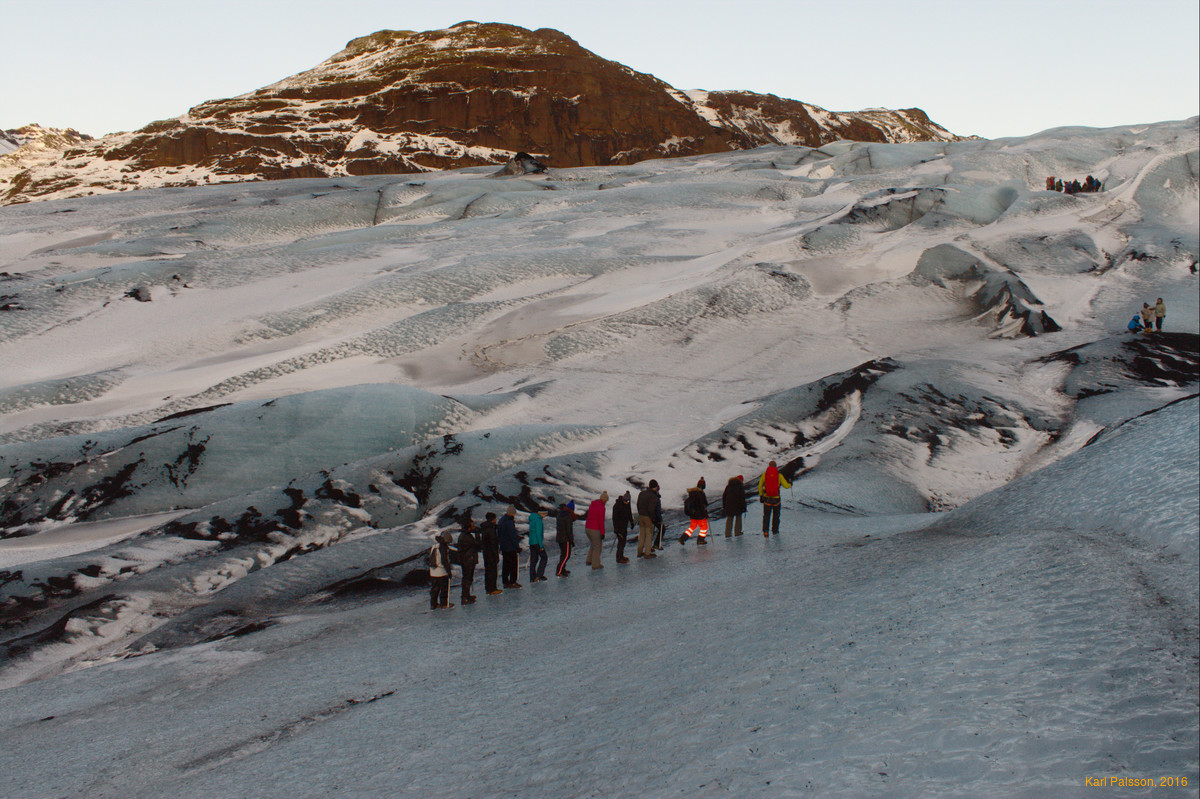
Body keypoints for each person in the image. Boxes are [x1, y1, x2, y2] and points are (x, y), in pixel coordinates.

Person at [758, 460, 791, 537]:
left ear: (768, 466)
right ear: (776, 466)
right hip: (776, 499)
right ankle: (775, 531)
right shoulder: (779, 475)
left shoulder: (764, 475)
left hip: (767, 498)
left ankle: (766, 531)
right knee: (776, 515)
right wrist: (790, 484)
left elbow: (760, 486)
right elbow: (786, 486)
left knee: (766, 515)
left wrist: (761, 495)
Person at [428, 531, 455, 610]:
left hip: (433, 571)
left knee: (435, 589)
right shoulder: (443, 548)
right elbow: (444, 560)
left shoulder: (434, 546)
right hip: (441, 571)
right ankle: (444, 603)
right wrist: (449, 571)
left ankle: (433, 604)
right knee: (444, 588)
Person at [457, 519, 481, 605]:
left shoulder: (464, 535)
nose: (474, 527)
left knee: (467, 578)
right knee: (467, 578)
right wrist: (477, 534)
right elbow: (478, 544)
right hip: (468, 560)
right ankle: (465, 597)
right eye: (472, 525)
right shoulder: (466, 537)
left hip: (466, 559)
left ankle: (466, 595)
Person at [679, 478, 709, 545]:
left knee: (692, 527)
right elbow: (702, 505)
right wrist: (705, 514)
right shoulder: (701, 494)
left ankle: (683, 538)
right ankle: (700, 540)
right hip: (700, 515)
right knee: (704, 527)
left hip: (693, 514)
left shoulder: (692, 493)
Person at [498, 505, 522, 589]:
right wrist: (517, 547)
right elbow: (513, 536)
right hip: (510, 547)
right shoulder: (509, 522)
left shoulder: (501, 520)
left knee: (506, 565)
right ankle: (513, 582)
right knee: (513, 565)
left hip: (504, 547)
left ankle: (505, 582)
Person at [584, 492, 608, 569]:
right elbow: (601, 521)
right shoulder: (601, 507)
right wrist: (602, 533)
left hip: (587, 527)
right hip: (595, 529)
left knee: (593, 544)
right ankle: (596, 565)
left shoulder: (592, 505)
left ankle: (589, 560)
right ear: (604, 500)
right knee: (597, 546)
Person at [479, 511, 502, 595]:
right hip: (491, 553)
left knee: (488, 571)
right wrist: (496, 555)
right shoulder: (491, 529)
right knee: (492, 571)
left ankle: (488, 588)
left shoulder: (485, 528)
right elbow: (493, 543)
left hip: (486, 552)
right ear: (493, 519)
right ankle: (493, 588)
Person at [636, 480, 660, 559]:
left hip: (641, 516)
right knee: (649, 535)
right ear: (655, 487)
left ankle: (639, 552)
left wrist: (640, 513)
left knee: (642, 534)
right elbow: (651, 509)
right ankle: (647, 553)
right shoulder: (653, 496)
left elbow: (638, 504)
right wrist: (653, 519)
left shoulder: (642, 493)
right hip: (648, 517)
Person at [527, 504, 549, 582]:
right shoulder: (538, 520)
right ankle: (539, 575)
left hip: (532, 542)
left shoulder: (532, 518)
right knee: (544, 557)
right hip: (537, 542)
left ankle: (532, 577)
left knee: (533, 560)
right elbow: (538, 533)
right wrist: (541, 545)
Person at [555, 500, 577, 577]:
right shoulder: (567, 516)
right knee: (566, 555)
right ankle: (559, 570)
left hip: (560, 538)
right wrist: (571, 540)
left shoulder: (560, 514)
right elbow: (569, 530)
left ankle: (562, 569)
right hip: (565, 539)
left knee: (563, 554)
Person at [612, 491, 633, 563]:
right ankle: (619, 557)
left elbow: (629, 513)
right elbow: (614, 518)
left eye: (628, 501)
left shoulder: (627, 505)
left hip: (624, 526)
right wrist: (616, 528)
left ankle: (621, 555)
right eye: (625, 501)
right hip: (619, 526)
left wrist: (631, 522)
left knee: (624, 541)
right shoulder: (617, 506)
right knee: (621, 541)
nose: (626, 502)